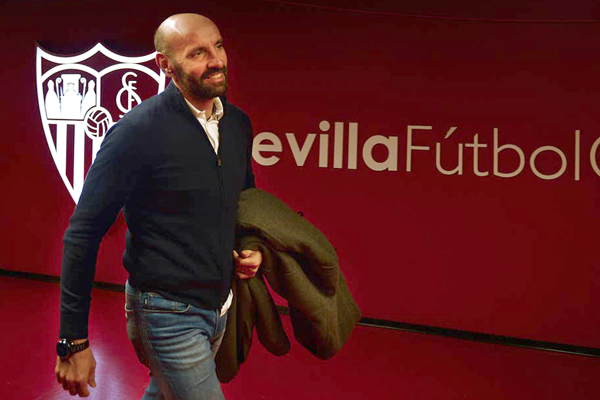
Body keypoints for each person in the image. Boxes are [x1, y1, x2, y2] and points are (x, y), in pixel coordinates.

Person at [54, 13, 261, 399]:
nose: (216, 60)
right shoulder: (136, 132)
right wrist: (73, 342)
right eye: (197, 53)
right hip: (165, 313)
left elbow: (244, 200)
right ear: (165, 65)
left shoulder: (237, 124)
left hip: (219, 306)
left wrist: (250, 247)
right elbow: (82, 234)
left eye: (218, 46)